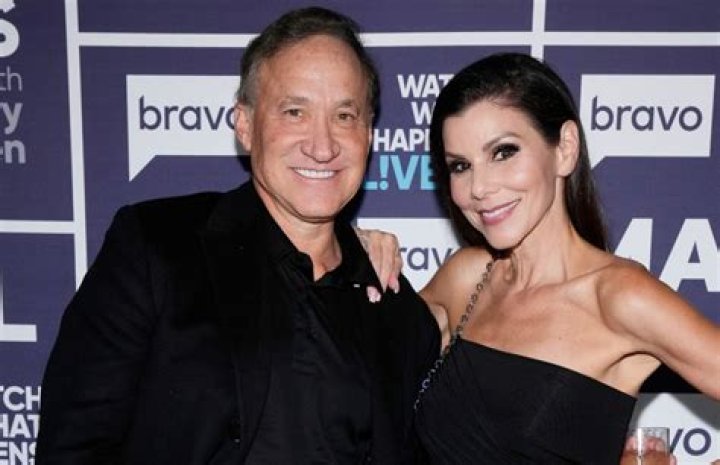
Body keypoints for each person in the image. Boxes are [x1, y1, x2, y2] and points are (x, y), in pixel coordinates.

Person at [35, 7, 439, 465]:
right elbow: (72, 447)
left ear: (368, 133)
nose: (322, 145)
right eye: (295, 112)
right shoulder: (157, 248)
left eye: (344, 116)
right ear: (244, 125)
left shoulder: (397, 311)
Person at [403, 52, 720, 464]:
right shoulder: (466, 278)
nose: (479, 187)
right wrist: (358, 248)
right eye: (460, 166)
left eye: (503, 152)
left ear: (565, 148)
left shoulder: (619, 297)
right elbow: (363, 372)